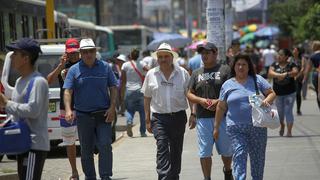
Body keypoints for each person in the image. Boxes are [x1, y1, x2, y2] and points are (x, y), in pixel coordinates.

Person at [214, 53, 276, 180]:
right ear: (234, 67)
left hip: (257, 126)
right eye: (238, 64)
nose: (241, 67)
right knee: (239, 155)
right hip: (235, 128)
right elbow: (221, 107)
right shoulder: (227, 85)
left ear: (249, 67)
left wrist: (266, 101)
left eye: (244, 65)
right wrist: (216, 127)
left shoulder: (257, 80)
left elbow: (271, 93)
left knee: (257, 159)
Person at [63, 38, 118, 180]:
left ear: (95, 51)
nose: (89, 54)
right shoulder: (74, 70)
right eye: (85, 52)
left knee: (105, 145)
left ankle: (105, 176)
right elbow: (67, 91)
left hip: (103, 114)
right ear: (81, 53)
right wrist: (68, 109)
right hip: (83, 116)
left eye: (91, 51)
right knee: (86, 150)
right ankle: (90, 176)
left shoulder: (105, 67)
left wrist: (112, 107)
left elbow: (113, 87)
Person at [0, 38, 49, 180]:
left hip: (34, 145)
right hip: (22, 143)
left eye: (15, 54)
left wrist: (6, 103)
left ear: (26, 58)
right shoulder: (19, 81)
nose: (12, 57)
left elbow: (33, 110)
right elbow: (17, 113)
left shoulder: (38, 82)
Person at [142, 43, 190, 180]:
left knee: (176, 150)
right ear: (157, 58)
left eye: (166, 56)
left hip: (179, 117)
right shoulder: (151, 74)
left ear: (171, 57)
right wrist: (147, 119)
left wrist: (193, 113)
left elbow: (190, 94)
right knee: (162, 147)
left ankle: (174, 176)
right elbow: (146, 97)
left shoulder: (183, 73)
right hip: (159, 119)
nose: (163, 59)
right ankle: (163, 177)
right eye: (160, 57)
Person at [187, 42, 233, 180]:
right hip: (203, 118)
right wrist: (200, 101)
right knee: (204, 152)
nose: (204, 56)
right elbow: (189, 93)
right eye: (202, 53)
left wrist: (218, 101)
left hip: (223, 117)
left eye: (207, 53)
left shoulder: (225, 70)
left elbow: (232, 90)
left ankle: (228, 171)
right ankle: (207, 178)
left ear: (215, 53)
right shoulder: (196, 73)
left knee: (226, 150)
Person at [46, 38, 80, 180]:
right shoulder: (62, 65)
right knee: (69, 142)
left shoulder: (84, 63)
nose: (73, 55)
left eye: (75, 52)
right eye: (70, 53)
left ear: (79, 51)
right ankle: (74, 172)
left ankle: (88, 170)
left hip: (83, 107)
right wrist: (60, 66)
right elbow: (48, 80)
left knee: (86, 141)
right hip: (65, 109)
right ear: (66, 52)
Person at [268, 49, 298, 137]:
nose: (278, 56)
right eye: (278, 54)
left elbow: (295, 72)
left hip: (290, 93)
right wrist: (279, 75)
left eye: (281, 55)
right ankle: (282, 125)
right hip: (278, 94)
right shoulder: (274, 65)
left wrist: (286, 74)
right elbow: (270, 73)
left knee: (288, 111)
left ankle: (289, 131)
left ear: (286, 57)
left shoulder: (291, 64)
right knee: (280, 113)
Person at [120, 49, 147, 137]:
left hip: (129, 90)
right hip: (140, 90)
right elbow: (149, 71)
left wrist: (122, 94)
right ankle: (142, 132)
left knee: (130, 110)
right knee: (142, 112)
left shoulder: (125, 65)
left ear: (130, 55)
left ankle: (129, 121)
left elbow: (123, 81)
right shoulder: (142, 63)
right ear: (138, 55)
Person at [304, 40, 320, 110]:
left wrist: (305, 78)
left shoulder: (312, 56)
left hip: (316, 74)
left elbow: (308, 69)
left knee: (318, 92)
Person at [292, 47, 306, 115]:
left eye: (295, 50)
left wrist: (297, 76)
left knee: (298, 94)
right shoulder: (291, 59)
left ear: (298, 52)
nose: (293, 51)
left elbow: (303, 68)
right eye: (293, 50)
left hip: (298, 79)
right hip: (291, 79)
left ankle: (298, 109)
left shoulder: (302, 59)